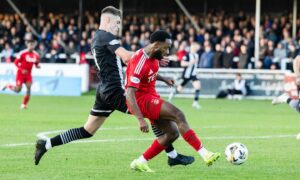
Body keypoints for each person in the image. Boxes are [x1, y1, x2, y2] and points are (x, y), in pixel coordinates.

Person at [34, 6, 194, 167]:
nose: (119, 26)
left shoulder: (98, 37)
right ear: (108, 20)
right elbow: (127, 57)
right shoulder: (106, 36)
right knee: (150, 110)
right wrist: (153, 54)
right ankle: (172, 156)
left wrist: (156, 68)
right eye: (117, 22)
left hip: (104, 91)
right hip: (116, 91)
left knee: (87, 131)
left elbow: (130, 65)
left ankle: (46, 144)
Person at [126, 30, 220, 172]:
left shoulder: (153, 56)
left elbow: (148, 73)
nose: (168, 51)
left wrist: (163, 79)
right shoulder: (139, 61)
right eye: (166, 47)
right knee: (178, 114)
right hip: (142, 100)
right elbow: (129, 93)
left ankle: (140, 162)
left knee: (172, 133)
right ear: (156, 45)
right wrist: (140, 119)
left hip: (151, 96)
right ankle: (205, 153)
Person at [2, 34, 40, 109]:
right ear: (27, 45)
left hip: (28, 74)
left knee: (29, 88)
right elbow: (15, 62)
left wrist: (37, 66)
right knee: (18, 90)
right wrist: (21, 69)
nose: (31, 47)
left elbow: (36, 63)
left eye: (32, 45)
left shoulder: (36, 55)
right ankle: (8, 85)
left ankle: (24, 104)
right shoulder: (23, 53)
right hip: (20, 74)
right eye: (30, 45)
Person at [168, 42, 202, 109]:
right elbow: (182, 64)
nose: (196, 48)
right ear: (192, 47)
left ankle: (195, 103)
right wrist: (190, 63)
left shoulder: (197, 55)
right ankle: (172, 95)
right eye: (195, 47)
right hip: (186, 75)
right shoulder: (187, 55)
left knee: (198, 86)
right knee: (179, 90)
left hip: (193, 75)